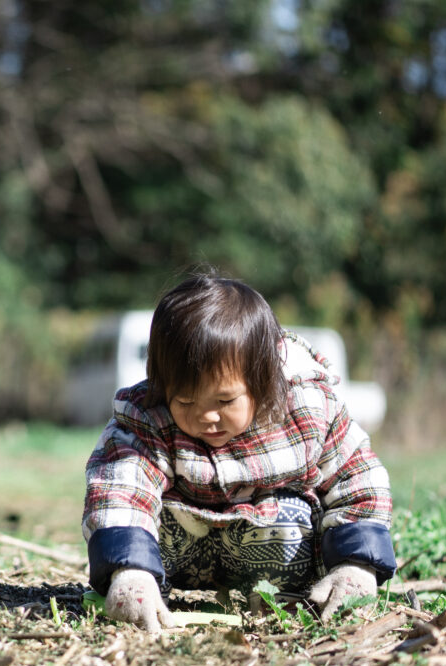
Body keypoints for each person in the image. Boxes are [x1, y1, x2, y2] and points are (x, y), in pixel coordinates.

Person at [83, 270, 396, 632]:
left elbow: (358, 477)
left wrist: (356, 565)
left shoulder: (305, 411)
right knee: (139, 514)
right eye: (184, 400)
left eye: (225, 400)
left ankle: (282, 598)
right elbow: (122, 488)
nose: (206, 416)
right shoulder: (147, 419)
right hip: (180, 549)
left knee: (295, 514)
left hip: (271, 544)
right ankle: (149, 587)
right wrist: (129, 570)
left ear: (262, 381)